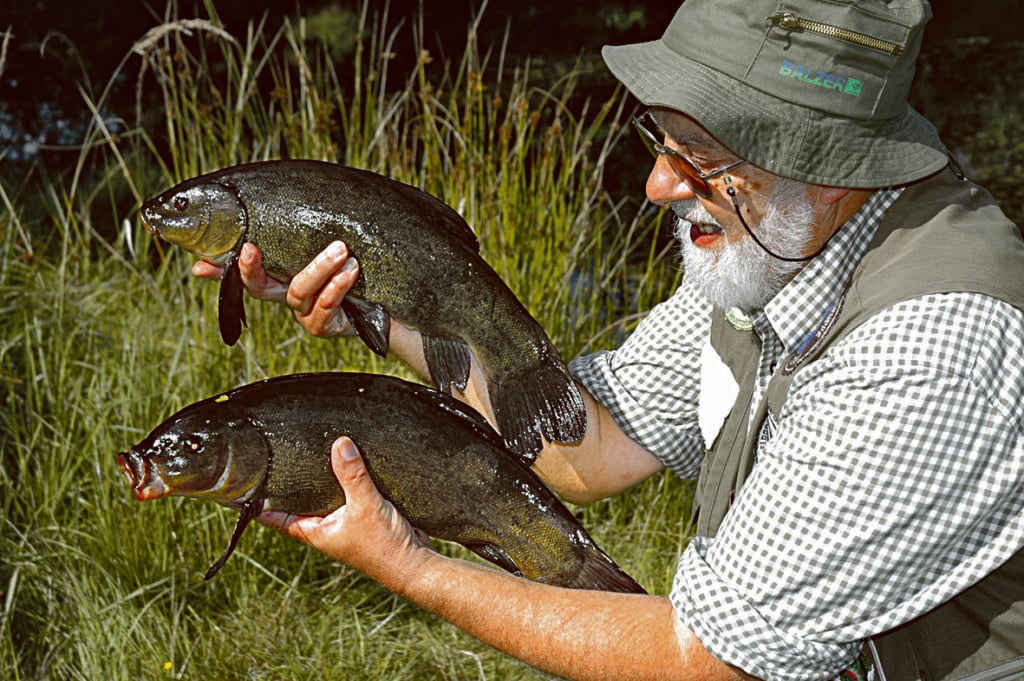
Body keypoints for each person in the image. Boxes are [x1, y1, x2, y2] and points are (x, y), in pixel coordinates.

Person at [192, 1, 1024, 679]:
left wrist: (414, 567)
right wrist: (377, 305)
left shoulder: (930, 347)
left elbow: (705, 661)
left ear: (833, 166)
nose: (661, 185)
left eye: (700, 156)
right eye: (661, 141)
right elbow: (581, 448)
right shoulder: (774, 248)